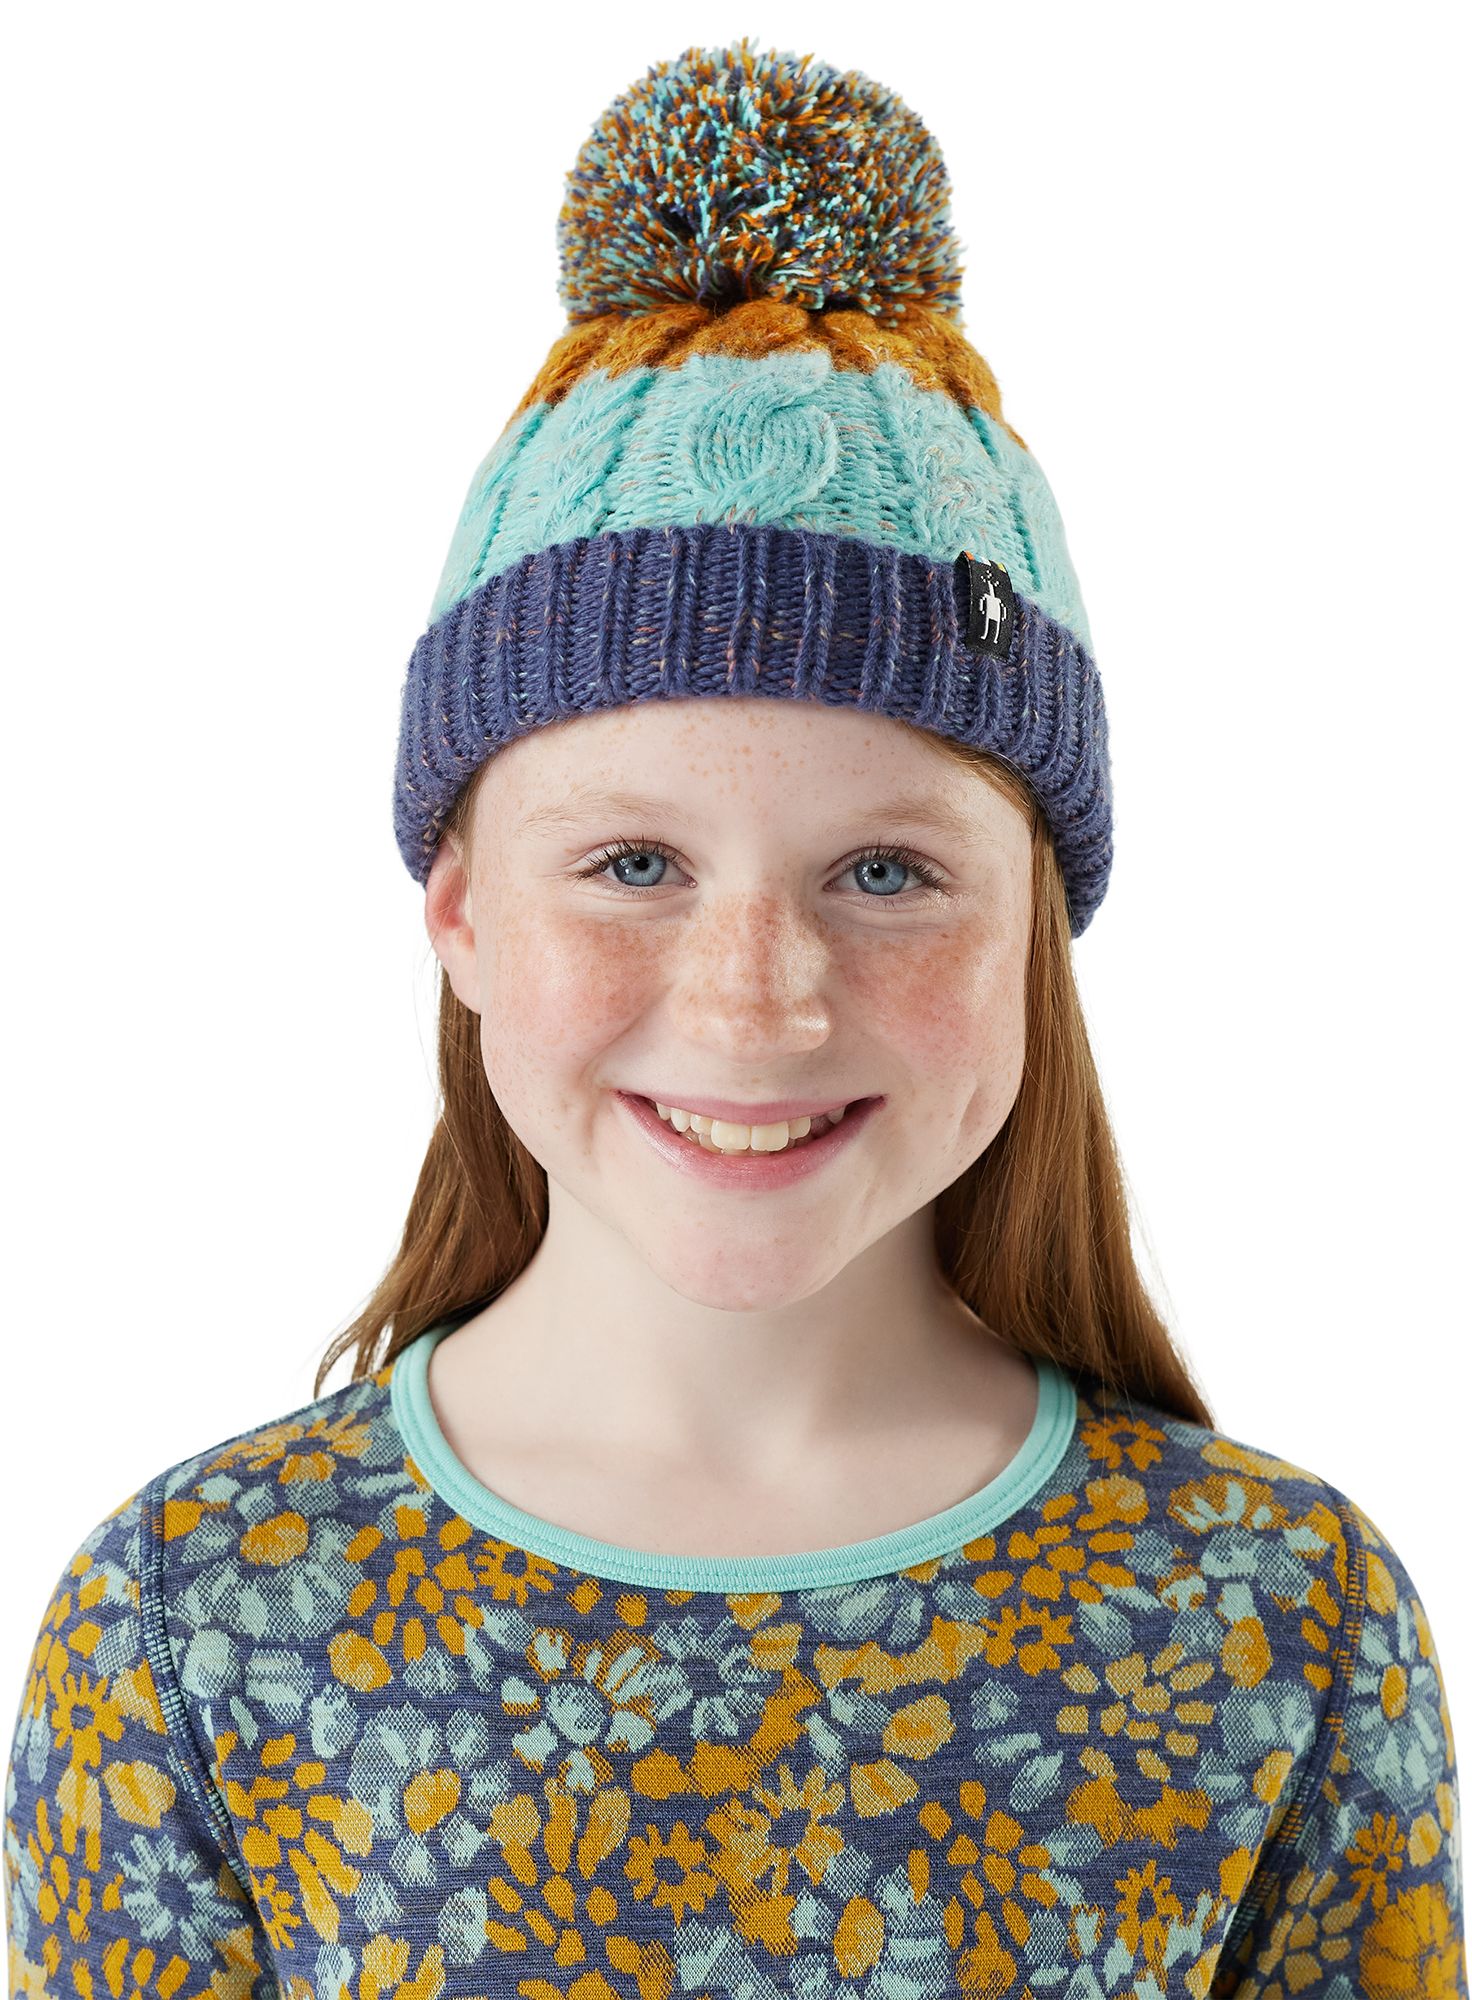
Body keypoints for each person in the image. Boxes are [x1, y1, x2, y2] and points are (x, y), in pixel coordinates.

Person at [5, 38, 1464, 2000]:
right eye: (633, 863)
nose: (755, 1002)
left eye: (887, 870)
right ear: (459, 910)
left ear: (1034, 931)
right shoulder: (193, 1626)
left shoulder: (1279, 1619)